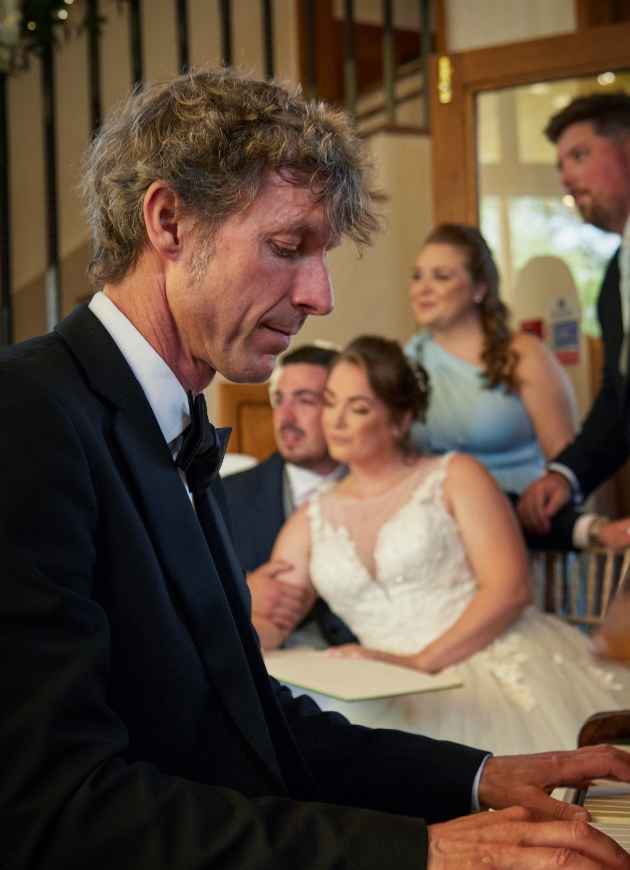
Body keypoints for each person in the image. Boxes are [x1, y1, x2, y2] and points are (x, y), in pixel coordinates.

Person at [0, 69, 629, 870]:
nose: (322, 295)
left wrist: (482, 776)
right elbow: (55, 810)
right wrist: (422, 853)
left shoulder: (174, 414)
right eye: (289, 246)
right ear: (169, 220)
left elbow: (249, 720)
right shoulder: (27, 417)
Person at [257, 336, 630, 756]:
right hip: (379, 686)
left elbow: (510, 590)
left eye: (357, 407)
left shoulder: (455, 476)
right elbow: (274, 614)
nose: (335, 421)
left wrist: (420, 663)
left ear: (399, 421)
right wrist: (242, 616)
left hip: (486, 666)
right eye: (329, 402)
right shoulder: (311, 518)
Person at [403, 223, 603, 550]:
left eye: (441, 276)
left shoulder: (523, 355)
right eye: (417, 276)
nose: (423, 288)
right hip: (442, 533)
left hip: (526, 529)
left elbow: (566, 459)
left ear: (479, 288)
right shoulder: (406, 361)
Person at [518, 92, 630, 551]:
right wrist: (567, 473)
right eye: (561, 165)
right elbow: (619, 400)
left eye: (580, 156)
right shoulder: (613, 280)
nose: (566, 177)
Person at [223, 343, 357, 645]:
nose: (286, 416)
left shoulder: (387, 489)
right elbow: (177, 590)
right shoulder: (225, 496)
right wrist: (240, 593)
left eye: (305, 401)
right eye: (279, 400)